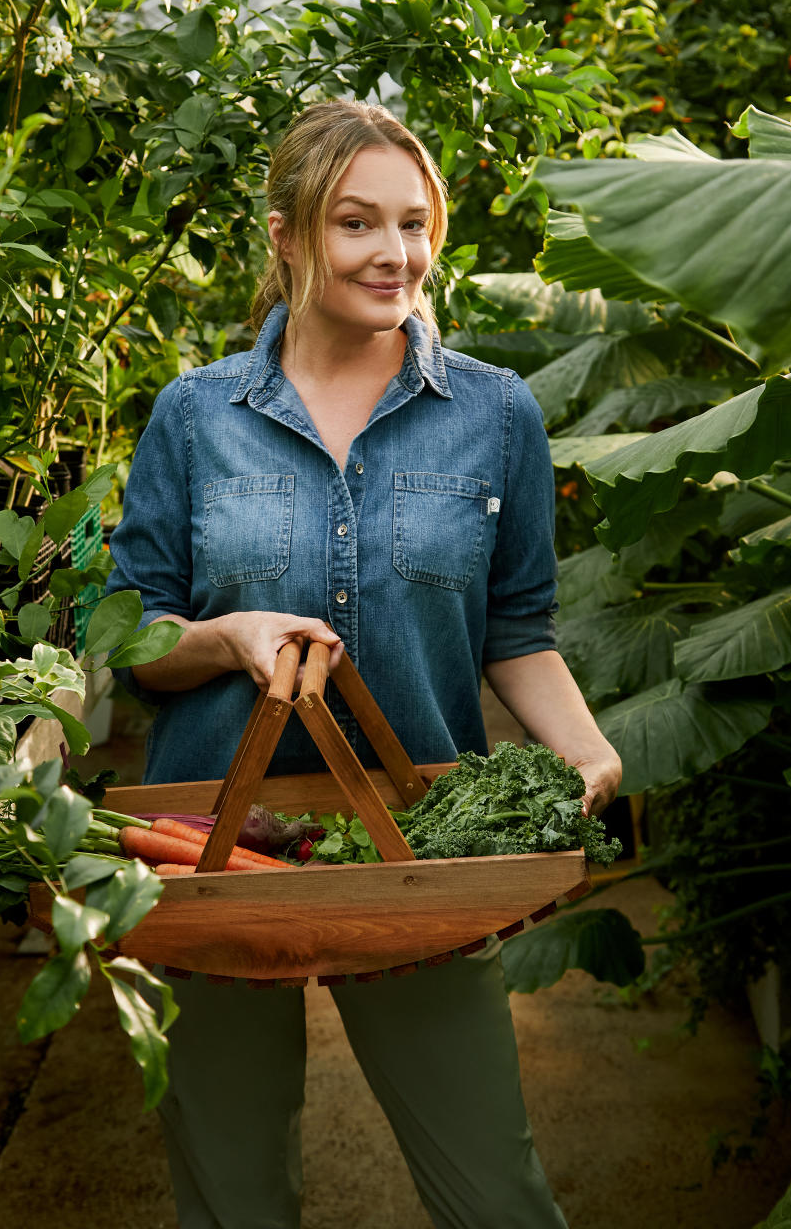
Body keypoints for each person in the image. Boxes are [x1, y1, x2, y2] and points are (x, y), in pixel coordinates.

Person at [106, 99, 623, 1229]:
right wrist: (230, 636)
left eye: (414, 223)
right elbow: (129, 634)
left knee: (496, 1191)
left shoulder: (494, 416)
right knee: (233, 1196)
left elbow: (519, 630)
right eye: (355, 224)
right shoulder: (196, 418)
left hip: (420, 842)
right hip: (213, 851)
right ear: (288, 234)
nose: (394, 255)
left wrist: (584, 751)